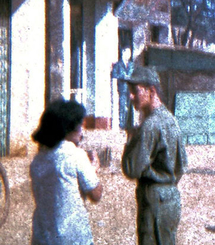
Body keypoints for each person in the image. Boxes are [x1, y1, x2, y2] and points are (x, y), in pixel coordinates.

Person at [121, 66, 188, 245]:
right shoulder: (170, 119)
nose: (131, 96)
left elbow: (132, 169)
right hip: (171, 198)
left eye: (135, 91)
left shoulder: (150, 126)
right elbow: (182, 166)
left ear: (151, 91)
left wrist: (131, 140)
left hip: (153, 201)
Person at [30, 99, 103, 245]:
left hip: (43, 238)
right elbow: (96, 194)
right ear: (68, 129)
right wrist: (93, 169)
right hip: (73, 238)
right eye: (79, 127)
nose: (82, 132)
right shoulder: (76, 155)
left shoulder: (38, 160)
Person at [111, 46, 134, 129]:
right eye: (127, 53)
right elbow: (114, 75)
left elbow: (134, 74)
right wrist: (122, 76)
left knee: (130, 106)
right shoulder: (118, 65)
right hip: (122, 88)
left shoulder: (131, 65)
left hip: (130, 89)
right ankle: (122, 124)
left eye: (130, 53)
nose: (129, 55)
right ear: (123, 53)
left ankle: (129, 124)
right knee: (122, 106)